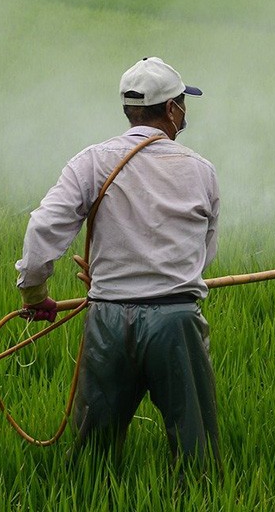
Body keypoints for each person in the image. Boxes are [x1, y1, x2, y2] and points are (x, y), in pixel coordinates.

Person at [14, 57, 222, 482]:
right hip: (176, 321)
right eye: (182, 102)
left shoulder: (91, 161)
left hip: (108, 319)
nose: (184, 110)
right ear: (170, 109)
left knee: (93, 458)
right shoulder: (201, 171)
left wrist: (35, 296)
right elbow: (202, 258)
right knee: (195, 450)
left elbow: (43, 227)